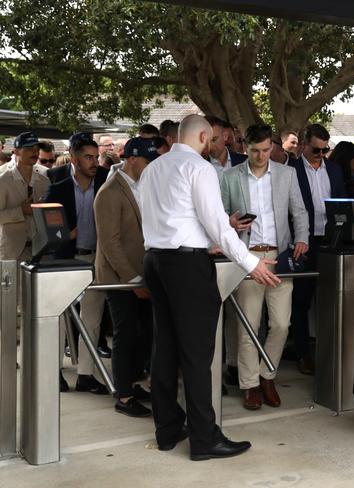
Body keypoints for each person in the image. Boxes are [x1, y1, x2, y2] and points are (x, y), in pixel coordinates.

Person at [138, 114, 279, 460]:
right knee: (198, 356)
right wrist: (251, 263)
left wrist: (205, 239)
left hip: (156, 259)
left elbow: (169, 217)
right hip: (186, 266)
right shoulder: (198, 168)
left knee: (166, 348)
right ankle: (204, 438)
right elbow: (218, 224)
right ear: (202, 136)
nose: (214, 144)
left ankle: (168, 430)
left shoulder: (153, 168)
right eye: (212, 138)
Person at [220, 123, 309, 410]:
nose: (261, 156)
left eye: (266, 150)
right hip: (246, 255)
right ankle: (250, 385)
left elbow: (299, 210)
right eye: (255, 150)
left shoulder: (286, 173)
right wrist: (230, 223)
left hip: (279, 255)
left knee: (281, 324)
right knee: (248, 325)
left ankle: (266, 374)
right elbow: (217, 216)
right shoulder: (230, 176)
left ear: (273, 147)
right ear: (245, 147)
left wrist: (302, 239)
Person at [94, 137, 159, 417]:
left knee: (143, 333)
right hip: (120, 278)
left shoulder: (142, 187)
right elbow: (110, 244)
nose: (150, 166)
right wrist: (132, 280)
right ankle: (123, 395)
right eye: (147, 161)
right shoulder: (110, 192)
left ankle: (132, 383)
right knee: (125, 334)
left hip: (142, 275)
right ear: (132, 159)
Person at [44, 134, 109, 395]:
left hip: (97, 257)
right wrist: (64, 234)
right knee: (60, 317)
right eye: (88, 157)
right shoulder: (57, 184)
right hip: (67, 258)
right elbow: (47, 227)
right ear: (73, 158)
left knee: (92, 318)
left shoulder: (105, 181)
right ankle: (54, 371)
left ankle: (86, 374)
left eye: (96, 157)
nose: (94, 163)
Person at [288, 123, 346, 375]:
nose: (321, 155)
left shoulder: (333, 169)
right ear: (303, 145)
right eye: (316, 150)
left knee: (332, 298)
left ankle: (330, 351)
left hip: (330, 241)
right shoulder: (289, 170)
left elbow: (344, 204)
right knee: (300, 299)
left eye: (325, 150)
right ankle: (302, 352)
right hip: (302, 241)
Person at [0, 131, 50, 262]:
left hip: (41, 251)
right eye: (29, 148)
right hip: (12, 253)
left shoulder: (44, 181)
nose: (35, 152)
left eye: (37, 148)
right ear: (16, 151)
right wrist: (21, 211)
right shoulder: (3, 181)